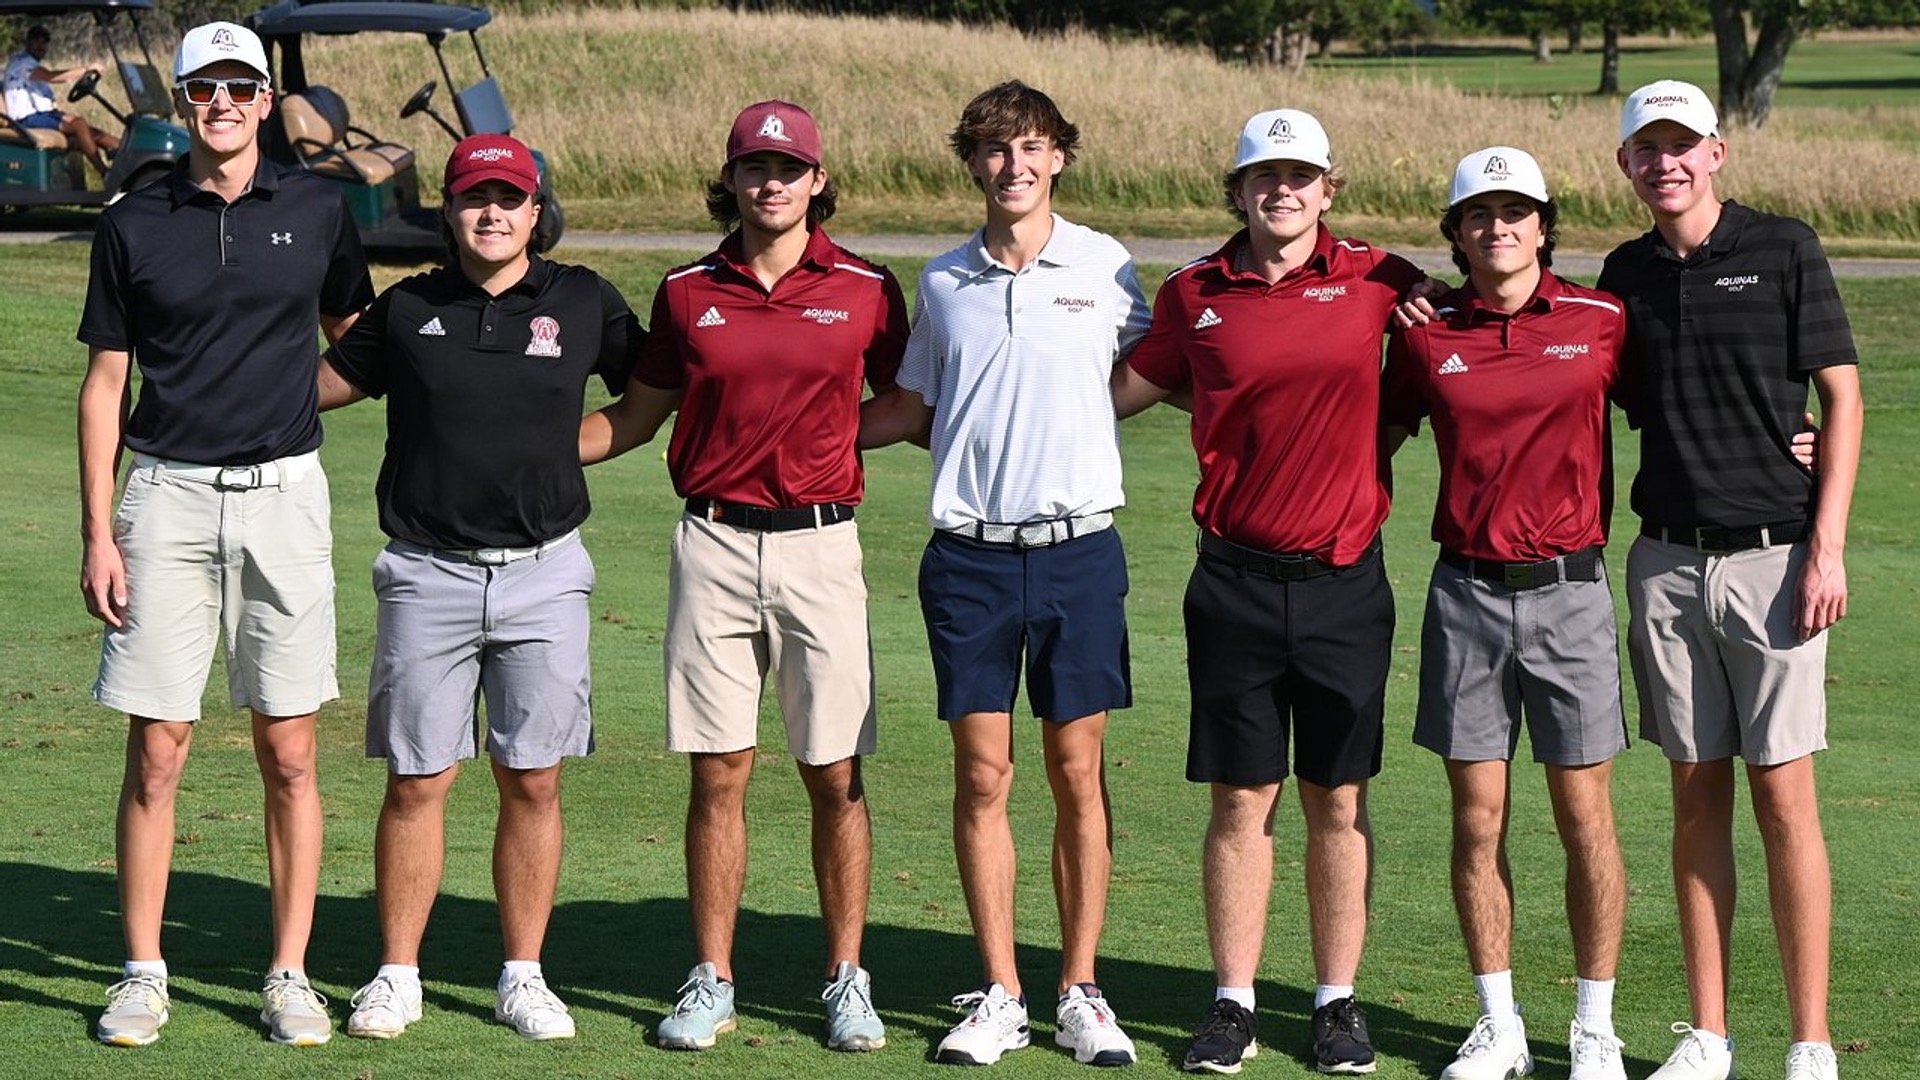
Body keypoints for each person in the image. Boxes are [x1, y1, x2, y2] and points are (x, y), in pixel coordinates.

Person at [578, 100, 907, 1054]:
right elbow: (634, 419)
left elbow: (911, 400)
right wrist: (520, 456)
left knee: (833, 771)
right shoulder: (687, 291)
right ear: (729, 180)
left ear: (818, 179)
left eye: (788, 167)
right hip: (713, 545)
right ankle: (713, 978)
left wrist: (830, 442)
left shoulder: (868, 287)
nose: (770, 183)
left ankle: (847, 977)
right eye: (753, 167)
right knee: (719, 771)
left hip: (821, 545)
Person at [1111, 107, 1427, 1076]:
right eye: (1262, 177)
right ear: (1238, 190)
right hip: (1233, 584)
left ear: (1329, 188)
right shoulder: (1193, 292)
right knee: (1241, 800)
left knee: (1338, 798)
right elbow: (1112, 391)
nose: (1280, 191)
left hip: (1344, 582)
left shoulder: (1385, 279)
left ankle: (1337, 1004)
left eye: (1299, 176)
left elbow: (1495, 339)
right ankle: (1234, 1003)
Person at [77, 20, 372, 1048]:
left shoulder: (322, 209)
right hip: (162, 498)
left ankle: (289, 973)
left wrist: (296, 401)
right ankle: (143, 972)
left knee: (290, 752)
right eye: (205, 87)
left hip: (285, 498)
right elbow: (106, 383)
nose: (224, 104)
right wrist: (97, 534)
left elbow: (358, 344)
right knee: (157, 750)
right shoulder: (134, 221)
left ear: (263, 98)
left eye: (241, 86)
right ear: (185, 100)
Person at [317, 133, 643, 1042]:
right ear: (449, 211)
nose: (490, 213)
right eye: (472, 199)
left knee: (532, 780)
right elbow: (329, 381)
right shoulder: (412, 304)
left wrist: (571, 449)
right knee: (419, 779)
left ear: (536, 210)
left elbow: (653, 393)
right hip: (427, 573)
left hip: (545, 573)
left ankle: (524, 974)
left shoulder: (582, 301)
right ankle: (397, 975)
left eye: (509, 198)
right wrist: (221, 376)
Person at [860, 79, 1149, 1069]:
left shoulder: (1107, 267)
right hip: (970, 558)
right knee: (983, 777)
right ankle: (1001, 993)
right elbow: (908, 405)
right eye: (993, 151)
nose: (1013, 166)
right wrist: (779, 441)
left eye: (1031, 149)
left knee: (1077, 776)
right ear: (973, 164)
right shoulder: (942, 280)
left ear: (1059, 156)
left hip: (1079, 554)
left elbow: (1152, 376)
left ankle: (1080, 991)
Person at [1598, 80, 1862, 1080]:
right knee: (1695, 799)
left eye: (1682, 145)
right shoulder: (1622, 274)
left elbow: (1840, 397)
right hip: (1665, 563)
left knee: (1785, 801)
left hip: (1776, 563)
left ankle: (1811, 1042)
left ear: (1716, 153)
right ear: (1626, 163)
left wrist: (1827, 544)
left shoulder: (1784, 246)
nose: (1664, 162)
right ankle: (1707, 1037)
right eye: (1646, 148)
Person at [1381, 146, 1633, 1080]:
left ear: (1543, 222)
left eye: (1516, 211)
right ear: (1455, 232)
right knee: (1477, 819)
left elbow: (1682, 407)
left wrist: (1792, 440)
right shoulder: (1422, 333)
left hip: (1572, 593)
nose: (1499, 228)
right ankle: (1499, 1023)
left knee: (1585, 816)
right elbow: (1365, 431)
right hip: (1467, 593)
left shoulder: (1602, 319)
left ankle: (1593, 1026)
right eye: (1479, 214)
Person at [5, 24, 120, 173]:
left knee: (91, 133)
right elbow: (51, 76)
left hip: (41, 115)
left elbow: (47, 100)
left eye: (44, 42)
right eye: (36, 41)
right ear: (28, 42)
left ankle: (124, 156)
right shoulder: (22, 63)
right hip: (26, 119)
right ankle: (104, 172)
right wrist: (86, 70)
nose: (40, 45)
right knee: (79, 124)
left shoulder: (31, 65)